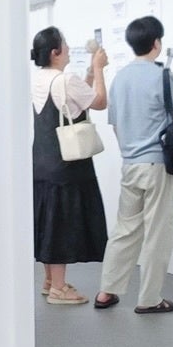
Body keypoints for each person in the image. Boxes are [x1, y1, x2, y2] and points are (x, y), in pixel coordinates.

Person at [95, 16, 173, 313]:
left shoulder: (120, 78)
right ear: (156, 43)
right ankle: (149, 299)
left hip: (130, 163)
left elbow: (115, 123)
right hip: (158, 164)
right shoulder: (162, 76)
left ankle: (107, 291)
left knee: (125, 229)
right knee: (158, 232)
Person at [31, 28, 109, 306]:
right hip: (66, 164)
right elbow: (99, 102)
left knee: (48, 221)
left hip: (41, 160)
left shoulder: (40, 79)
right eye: (64, 44)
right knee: (61, 224)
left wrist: (88, 74)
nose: (67, 48)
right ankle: (59, 288)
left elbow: (74, 102)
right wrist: (98, 69)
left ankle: (49, 280)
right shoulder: (65, 79)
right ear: (55, 52)